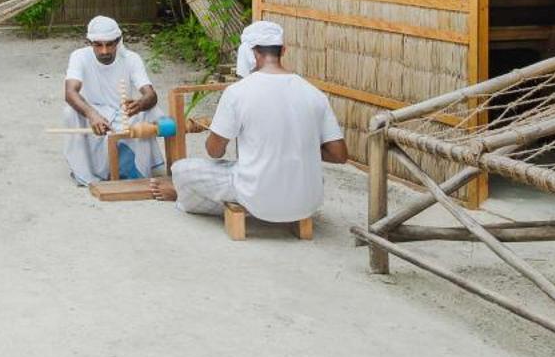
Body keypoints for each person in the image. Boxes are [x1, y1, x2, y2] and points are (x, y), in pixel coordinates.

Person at [171, 20, 347, 223]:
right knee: (310, 176)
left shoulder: (238, 92)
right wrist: (294, 148)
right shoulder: (314, 93)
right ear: (283, 50)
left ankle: (186, 199)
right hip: (306, 202)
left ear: (249, 53)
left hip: (257, 196)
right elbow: (339, 154)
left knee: (181, 169)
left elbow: (214, 151)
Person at [61, 15, 171, 195]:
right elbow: (70, 92)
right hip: (93, 115)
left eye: (110, 44)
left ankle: (136, 170)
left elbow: (150, 94)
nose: (104, 51)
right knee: (69, 113)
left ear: (118, 41)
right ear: (89, 42)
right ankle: (86, 175)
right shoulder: (79, 57)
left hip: (123, 113)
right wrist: (92, 115)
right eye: (98, 45)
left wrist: (140, 104)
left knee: (152, 111)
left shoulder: (131, 58)